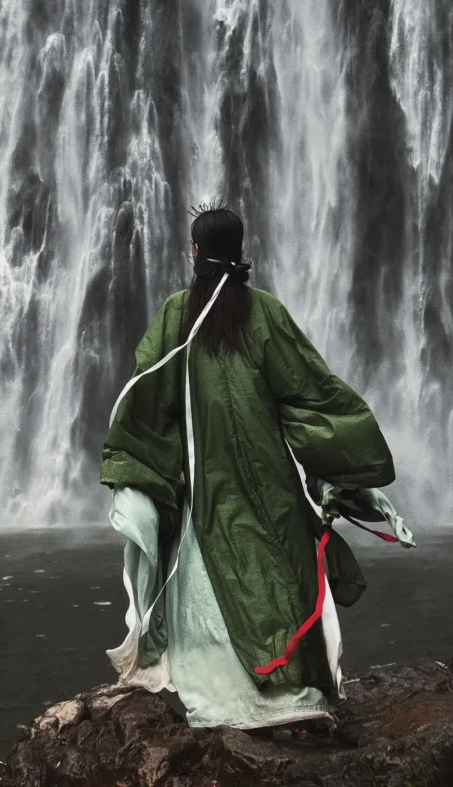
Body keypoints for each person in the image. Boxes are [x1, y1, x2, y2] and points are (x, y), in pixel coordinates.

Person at [100, 205, 413, 729]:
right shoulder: (264, 312)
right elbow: (311, 391)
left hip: (205, 485)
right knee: (278, 571)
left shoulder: (177, 316)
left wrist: (144, 465)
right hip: (269, 477)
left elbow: (147, 401)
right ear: (240, 252)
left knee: (207, 584)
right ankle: (293, 693)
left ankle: (221, 699)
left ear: (196, 253)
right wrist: (334, 460)